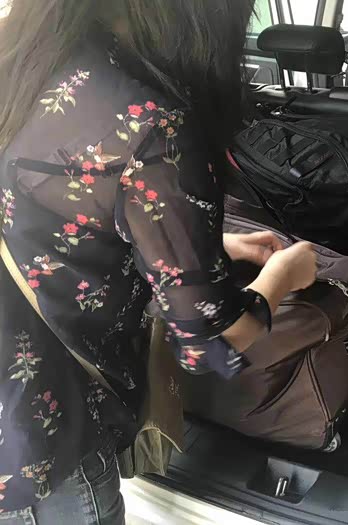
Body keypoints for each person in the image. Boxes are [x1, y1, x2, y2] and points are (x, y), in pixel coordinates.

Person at [0, 1, 317, 523]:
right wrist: (284, 277)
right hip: (46, 455)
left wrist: (200, 249)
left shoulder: (22, 59)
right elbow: (211, 347)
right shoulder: (149, 125)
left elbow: (40, 218)